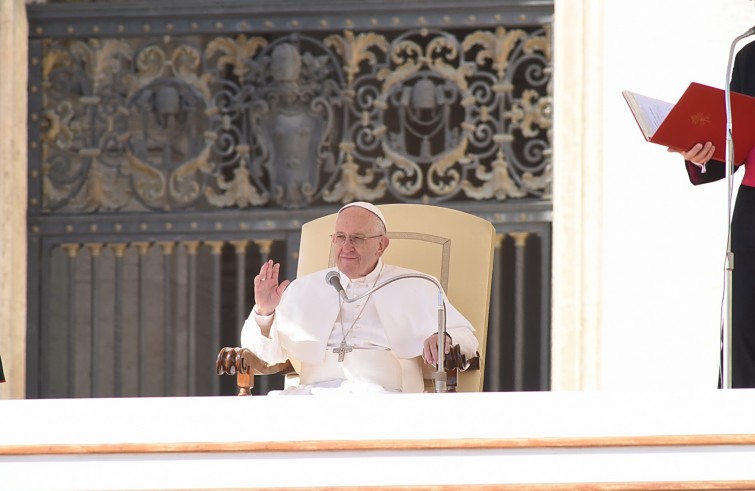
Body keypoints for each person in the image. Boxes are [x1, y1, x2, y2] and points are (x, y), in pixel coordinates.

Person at [240, 201, 478, 394]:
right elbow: (264, 357)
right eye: (340, 237)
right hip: (312, 397)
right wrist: (264, 312)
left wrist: (443, 337)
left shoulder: (417, 284)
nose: (347, 247)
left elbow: (466, 338)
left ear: (381, 246)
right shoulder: (303, 288)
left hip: (385, 397)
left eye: (357, 238)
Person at [675, 39, 755, 388]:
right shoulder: (750, 56)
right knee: (744, 331)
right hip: (754, 213)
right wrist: (700, 153)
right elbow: (733, 142)